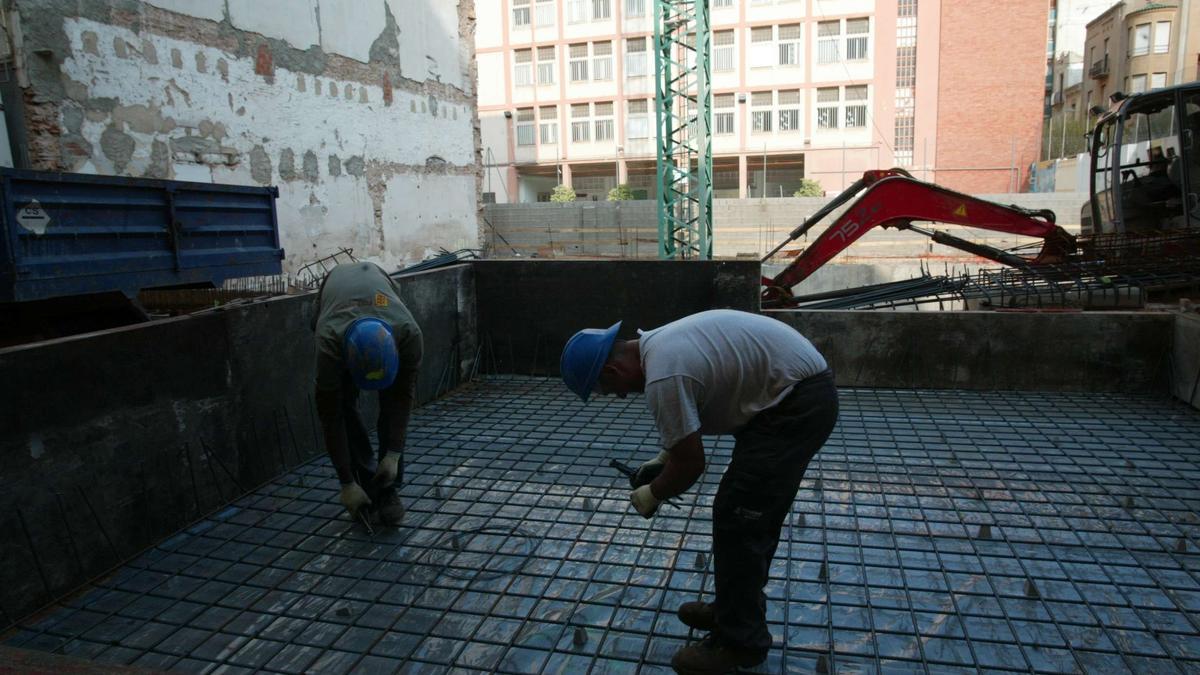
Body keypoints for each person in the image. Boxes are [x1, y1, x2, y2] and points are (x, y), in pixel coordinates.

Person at [560, 309, 838, 674]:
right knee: (745, 513)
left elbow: (691, 465)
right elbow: (694, 414)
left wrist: (651, 494)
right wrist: (664, 459)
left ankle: (741, 644)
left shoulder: (663, 375)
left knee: (741, 518)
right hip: (787, 395)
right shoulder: (657, 344)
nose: (619, 397)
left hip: (794, 406)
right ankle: (732, 609)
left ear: (612, 372)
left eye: (609, 391)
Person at [311, 261, 422, 527]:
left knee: (392, 402)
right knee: (344, 406)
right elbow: (331, 415)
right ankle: (362, 487)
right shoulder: (328, 344)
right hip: (334, 292)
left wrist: (394, 453)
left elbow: (402, 396)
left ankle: (387, 488)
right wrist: (345, 481)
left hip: (377, 280)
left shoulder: (408, 333)